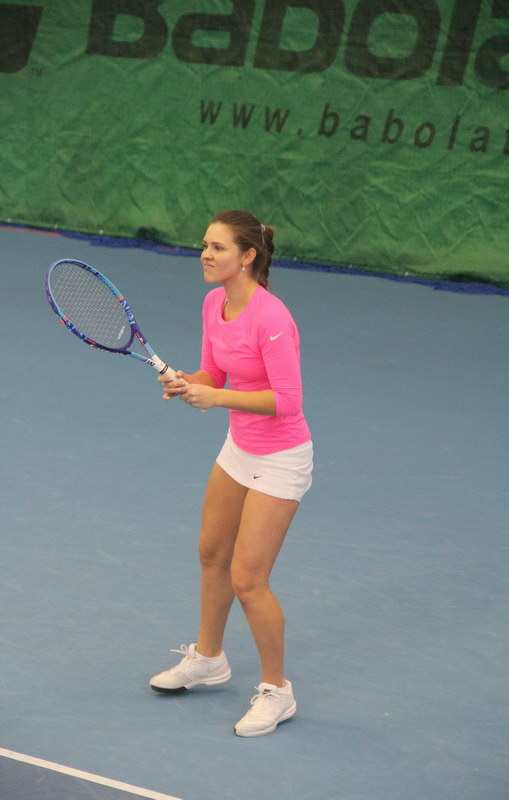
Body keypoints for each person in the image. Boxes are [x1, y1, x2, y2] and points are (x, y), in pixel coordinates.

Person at [149, 210, 313, 737]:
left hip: (281, 458)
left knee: (248, 579)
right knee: (211, 553)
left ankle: (277, 692)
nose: (205, 254)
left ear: (247, 257)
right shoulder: (213, 304)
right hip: (239, 448)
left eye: (217, 247)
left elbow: (287, 401)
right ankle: (209, 659)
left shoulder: (272, 318)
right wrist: (188, 382)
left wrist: (215, 398)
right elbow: (214, 374)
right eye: (204, 244)